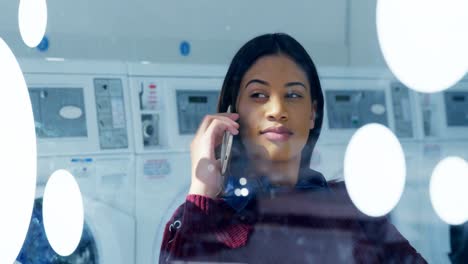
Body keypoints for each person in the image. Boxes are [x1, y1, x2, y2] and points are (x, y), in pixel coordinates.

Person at [159, 33, 427, 263]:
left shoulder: (352, 207)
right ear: (232, 112)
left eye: (293, 95)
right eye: (259, 95)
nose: (277, 110)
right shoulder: (207, 217)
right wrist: (201, 188)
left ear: (313, 113)